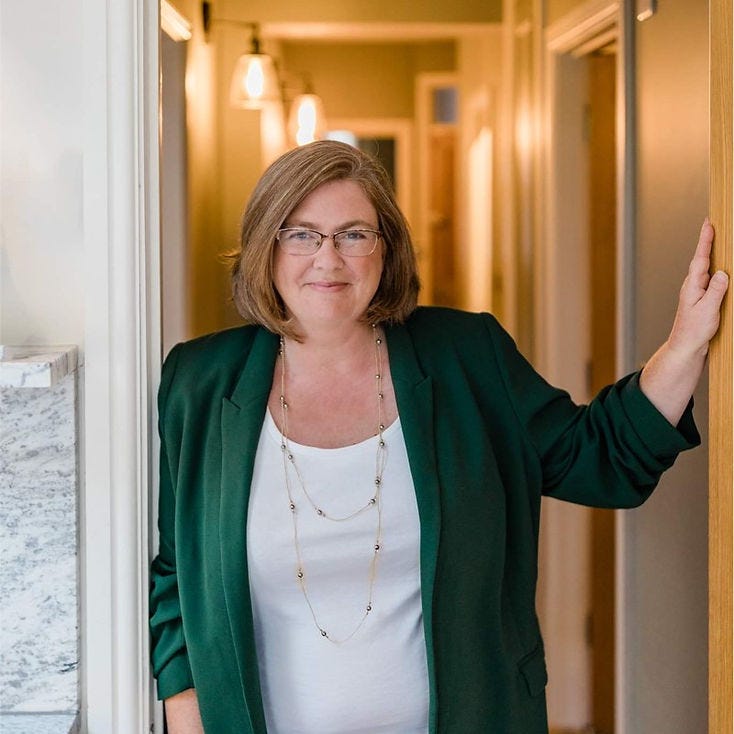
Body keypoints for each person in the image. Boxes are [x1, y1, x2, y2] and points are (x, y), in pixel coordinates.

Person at [150, 140, 728, 734]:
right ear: (264, 248)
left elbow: (598, 456)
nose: (328, 260)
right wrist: (186, 711)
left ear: (387, 249)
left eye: (354, 234)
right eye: (301, 234)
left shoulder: (466, 357)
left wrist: (684, 344)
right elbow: (175, 573)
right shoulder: (199, 382)